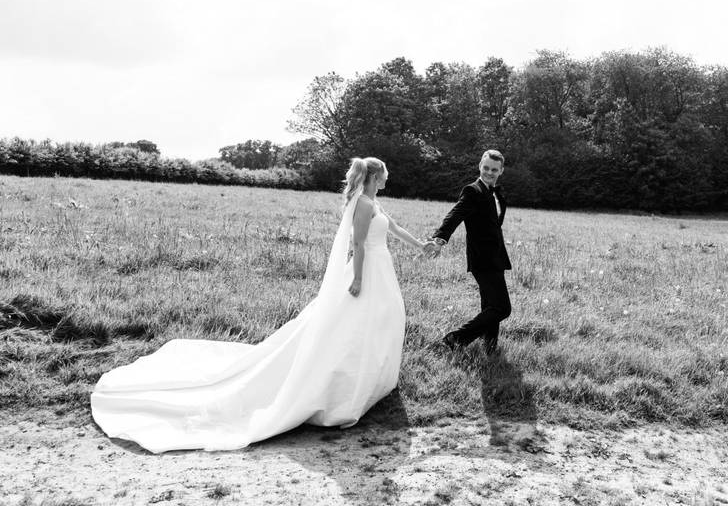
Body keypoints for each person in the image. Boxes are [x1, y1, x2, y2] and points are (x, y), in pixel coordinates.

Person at [90, 157, 428, 453]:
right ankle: (344, 390)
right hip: (367, 270)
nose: (388, 178)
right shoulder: (364, 205)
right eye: (385, 174)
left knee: (380, 321)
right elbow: (357, 242)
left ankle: (372, 382)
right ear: (374, 177)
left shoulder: (373, 202)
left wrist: (422, 246)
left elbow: (394, 228)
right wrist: (356, 279)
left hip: (382, 269)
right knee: (355, 326)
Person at [426, 150, 512, 356]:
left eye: (494, 169)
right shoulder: (473, 191)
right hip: (482, 259)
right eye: (486, 168)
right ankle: (457, 338)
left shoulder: (494, 192)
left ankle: (490, 347)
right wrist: (439, 239)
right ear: (479, 167)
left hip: (496, 256)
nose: (489, 172)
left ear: (501, 170)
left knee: (490, 305)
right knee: (502, 308)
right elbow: (455, 215)